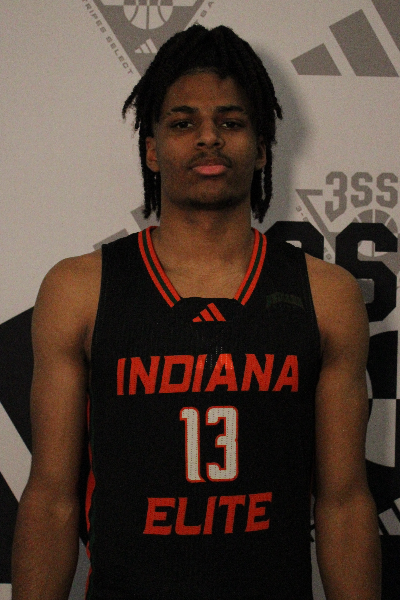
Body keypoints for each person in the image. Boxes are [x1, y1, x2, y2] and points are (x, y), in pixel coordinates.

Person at [12, 24, 381, 600]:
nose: (209, 137)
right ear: (152, 150)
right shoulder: (80, 289)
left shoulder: (327, 294)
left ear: (262, 147)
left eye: (231, 123)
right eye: (183, 123)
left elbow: (343, 502)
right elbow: (52, 500)